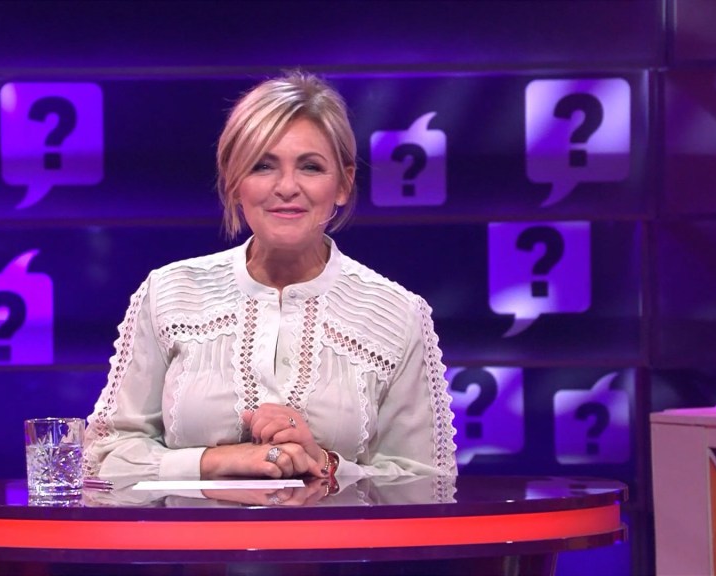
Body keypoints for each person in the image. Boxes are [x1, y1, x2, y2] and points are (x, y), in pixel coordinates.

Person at [84, 71, 456, 487]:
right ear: (234, 181)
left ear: (343, 184)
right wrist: (218, 461)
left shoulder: (398, 314)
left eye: (311, 167)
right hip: (191, 531)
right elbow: (105, 458)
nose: (287, 187)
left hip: (341, 533)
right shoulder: (170, 293)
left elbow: (428, 485)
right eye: (263, 166)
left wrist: (323, 463)